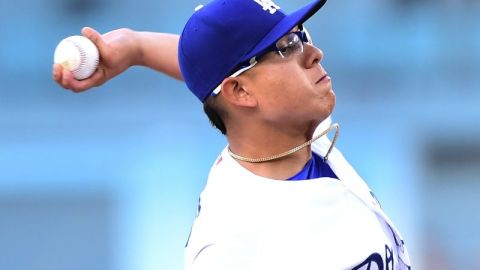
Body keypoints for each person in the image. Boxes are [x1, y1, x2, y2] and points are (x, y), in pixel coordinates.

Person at [53, 0, 412, 269]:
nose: (315, 54)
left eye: (301, 37)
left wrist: (137, 47)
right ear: (240, 92)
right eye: (287, 47)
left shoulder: (300, 129)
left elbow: (215, 73)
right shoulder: (231, 244)